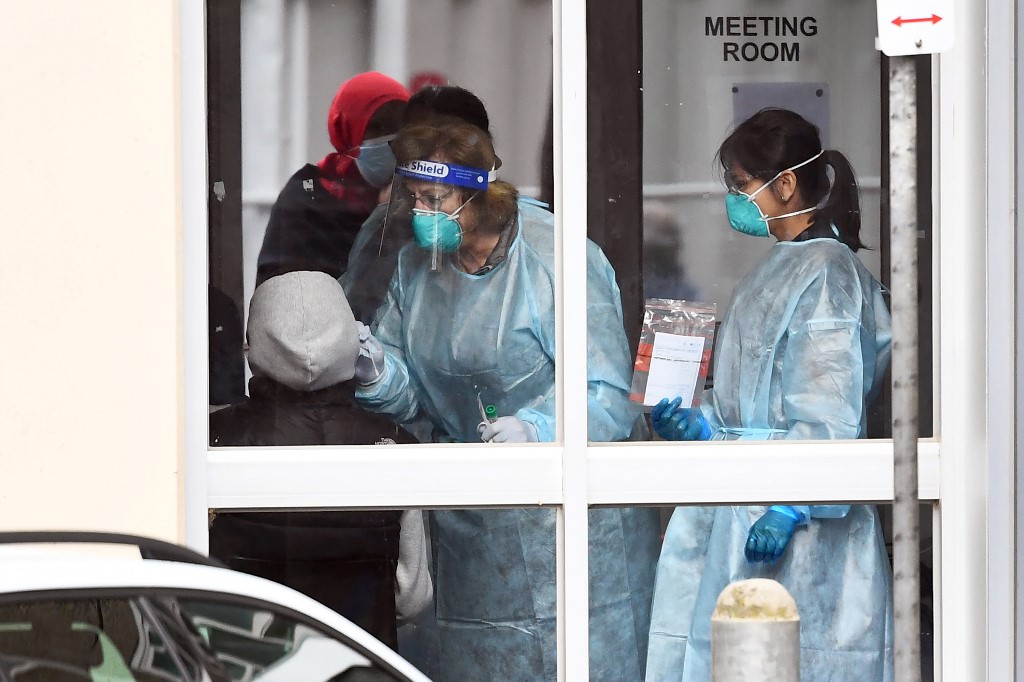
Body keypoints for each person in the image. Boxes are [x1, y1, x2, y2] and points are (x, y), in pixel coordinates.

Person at [353, 119, 661, 681]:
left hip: (571, 530)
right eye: (414, 198)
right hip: (471, 527)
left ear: (478, 193)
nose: (422, 212)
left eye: (435, 198)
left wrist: (541, 429)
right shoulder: (415, 271)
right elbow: (413, 398)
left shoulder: (555, 260)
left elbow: (610, 395)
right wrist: (375, 368)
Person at [644, 108, 894, 681]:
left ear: (784, 185)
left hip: (799, 530)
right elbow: (753, 397)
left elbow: (830, 410)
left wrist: (790, 504)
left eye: (740, 185)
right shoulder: (785, 266)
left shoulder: (827, 272)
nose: (733, 198)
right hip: (746, 501)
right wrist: (704, 424)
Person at [208, 270, 431, 649]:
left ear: (253, 347)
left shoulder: (213, 443)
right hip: (357, 666)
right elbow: (411, 598)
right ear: (350, 340)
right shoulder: (391, 448)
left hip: (247, 665)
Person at [340, 84, 493, 325]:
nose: (425, 152)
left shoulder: (527, 245)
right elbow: (357, 320)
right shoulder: (382, 229)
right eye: (417, 140)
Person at [255, 72, 410, 288]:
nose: (391, 140)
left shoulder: (418, 196)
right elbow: (291, 299)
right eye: (377, 127)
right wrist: (382, 220)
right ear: (346, 132)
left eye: (400, 127)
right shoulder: (306, 199)